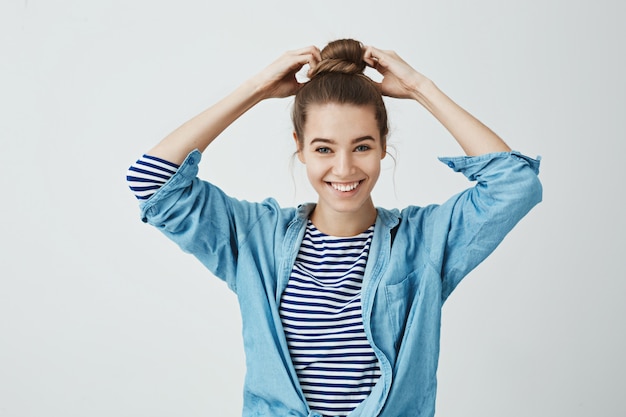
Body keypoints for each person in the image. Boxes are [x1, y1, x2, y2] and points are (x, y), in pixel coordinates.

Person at [127, 39, 542, 417]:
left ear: (383, 144)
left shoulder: (424, 241)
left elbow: (515, 186)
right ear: (300, 147)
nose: (344, 169)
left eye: (362, 146)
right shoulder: (255, 239)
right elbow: (150, 181)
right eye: (324, 148)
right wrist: (255, 89)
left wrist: (419, 88)